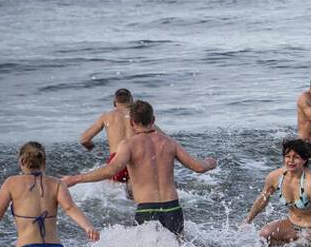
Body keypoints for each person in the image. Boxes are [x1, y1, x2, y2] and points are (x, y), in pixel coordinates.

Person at [64, 100, 217, 237]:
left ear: (132, 123)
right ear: (154, 120)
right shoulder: (169, 142)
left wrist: (76, 179)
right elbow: (198, 167)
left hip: (147, 209)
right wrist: (210, 162)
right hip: (172, 207)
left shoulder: (129, 145)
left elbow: (110, 170)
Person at [244, 139, 311, 246]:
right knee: (264, 234)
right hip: (292, 224)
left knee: (301, 244)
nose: (291, 161)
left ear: (304, 160)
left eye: (296, 157)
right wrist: (248, 220)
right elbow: (262, 200)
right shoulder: (275, 176)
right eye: (287, 156)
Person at [79, 88, 136, 192]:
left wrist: (92, 147)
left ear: (115, 102)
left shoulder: (107, 116)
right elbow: (160, 136)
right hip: (136, 158)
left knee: (117, 197)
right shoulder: (139, 116)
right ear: (132, 100)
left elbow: (84, 139)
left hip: (116, 159)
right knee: (135, 195)